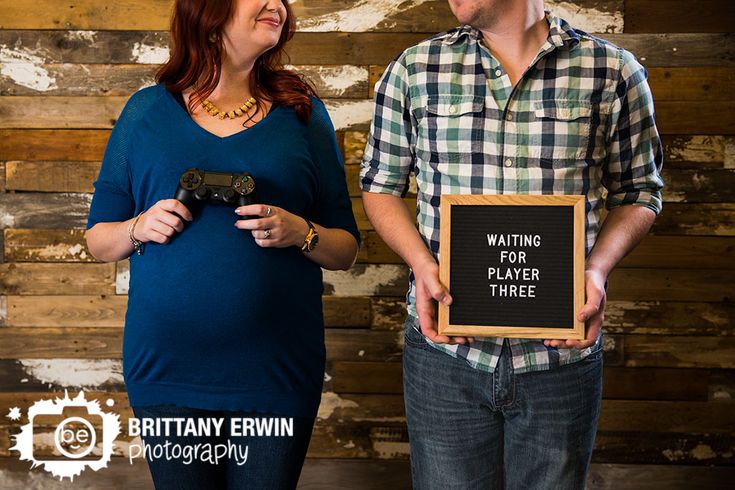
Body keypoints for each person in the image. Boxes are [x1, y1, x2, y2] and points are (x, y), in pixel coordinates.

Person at [360, 0, 664, 488]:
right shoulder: (414, 69)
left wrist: (596, 270)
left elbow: (640, 194)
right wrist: (420, 263)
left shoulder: (612, 71)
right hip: (446, 355)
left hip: (560, 358)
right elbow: (380, 186)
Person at [85, 0, 360, 488]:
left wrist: (303, 232)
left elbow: (345, 249)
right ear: (209, 13)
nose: (277, 3)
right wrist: (139, 226)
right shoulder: (145, 113)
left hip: (275, 373)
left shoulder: (303, 113)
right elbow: (98, 241)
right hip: (168, 369)